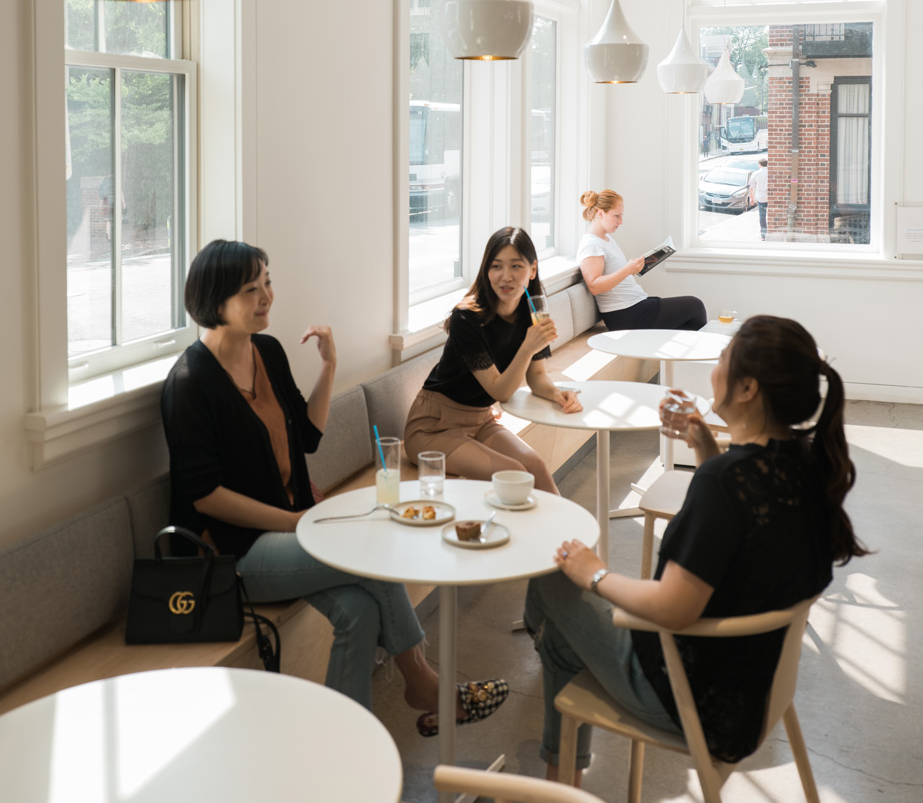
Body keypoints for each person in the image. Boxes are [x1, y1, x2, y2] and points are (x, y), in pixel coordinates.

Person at [161, 239, 508, 733]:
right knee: (372, 556)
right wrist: (293, 522)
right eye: (250, 290)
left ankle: (348, 749)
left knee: (359, 611)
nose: (266, 297)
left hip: (296, 528)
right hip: (235, 555)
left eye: (268, 283)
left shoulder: (267, 351)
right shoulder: (190, 383)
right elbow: (204, 496)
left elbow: (307, 436)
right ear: (214, 300)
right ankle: (424, 682)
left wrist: (328, 365)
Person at [525, 314, 868, 782]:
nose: (715, 368)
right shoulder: (805, 464)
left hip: (690, 698)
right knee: (564, 637)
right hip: (759, 689)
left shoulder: (723, 482)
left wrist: (596, 574)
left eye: (723, 358)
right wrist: (706, 444)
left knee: (552, 577)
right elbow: (741, 518)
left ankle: (558, 780)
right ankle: (558, 773)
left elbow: (672, 609)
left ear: (747, 389)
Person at [404, 227, 582, 494]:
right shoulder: (466, 318)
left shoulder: (531, 311)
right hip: (433, 426)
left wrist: (559, 394)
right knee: (516, 475)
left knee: (535, 466)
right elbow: (501, 391)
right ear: (486, 270)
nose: (505, 276)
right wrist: (527, 346)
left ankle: (572, 536)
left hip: (481, 420)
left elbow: (536, 378)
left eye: (516, 266)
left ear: (532, 270)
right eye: (496, 266)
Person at [577, 188, 706, 330]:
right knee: (695, 305)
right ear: (600, 214)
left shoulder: (607, 240)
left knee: (687, 326)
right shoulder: (591, 244)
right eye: (616, 216)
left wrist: (634, 268)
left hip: (635, 304)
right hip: (624, 314)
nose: (620, 221)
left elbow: (614, 275)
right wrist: (627, 270)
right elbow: (594, 286)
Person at [748, 157, 769, 240]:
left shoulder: (756, 173)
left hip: (761, 197)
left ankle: (763, 235)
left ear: (759, 165)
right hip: (770, 197)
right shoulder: (770, 172)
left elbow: (751, 187)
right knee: (770, 215)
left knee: (762, 216)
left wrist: (752, 198)